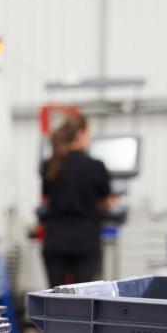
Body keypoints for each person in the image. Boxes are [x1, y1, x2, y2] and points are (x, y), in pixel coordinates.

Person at [40, 115, 115, 287]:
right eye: (89, 135)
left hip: (55, 240)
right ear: (80, 134)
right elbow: (106, 202)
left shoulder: (50, 164)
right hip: (84, 240)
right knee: (83, 297)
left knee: (54, 296)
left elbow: (46, 200)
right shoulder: (95, 166)